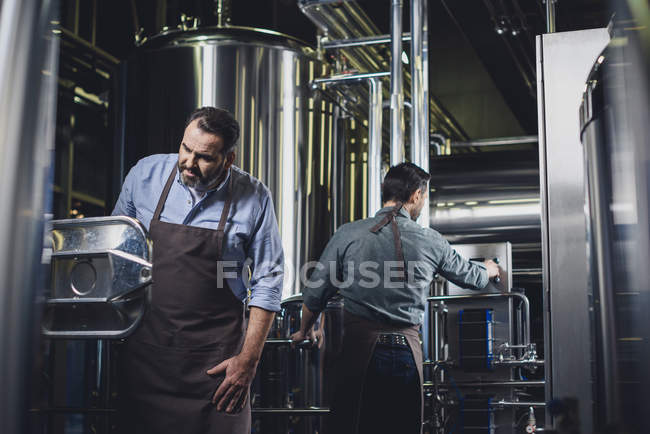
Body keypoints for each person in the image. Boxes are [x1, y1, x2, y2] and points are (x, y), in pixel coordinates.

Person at [291, 162, 499, 434]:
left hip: (358, 352)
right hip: (406, 354)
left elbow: (315, 292)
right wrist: (490, 268)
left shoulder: (348, 233)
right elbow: (471, 276)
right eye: (424, 195)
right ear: (415, 195)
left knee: (352, 426)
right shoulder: (430, 240)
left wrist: (305, 330)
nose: (423, 201)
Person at [112, 106, 283, 434]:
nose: (189, 163)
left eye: (204, 157)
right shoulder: (145, 175)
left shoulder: (254, 197)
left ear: (228, 160)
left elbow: (269, 279)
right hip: (146, 359)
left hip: (216, 368)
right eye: (185, 149)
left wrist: (248, 361)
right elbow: (118, 249)